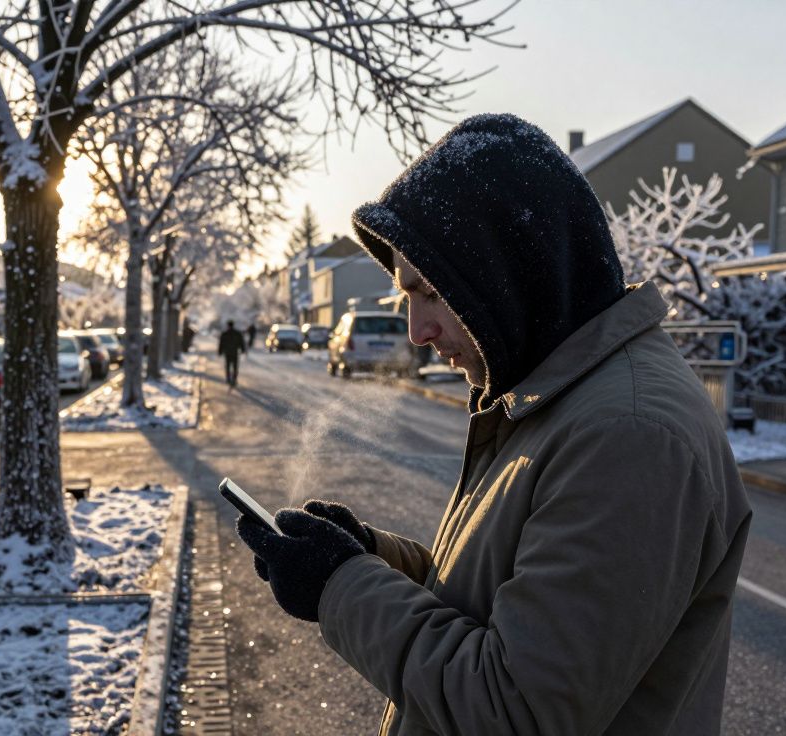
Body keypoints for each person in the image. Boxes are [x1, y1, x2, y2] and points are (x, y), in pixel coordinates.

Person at [235, 114, 751, 735]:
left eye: (428, 293)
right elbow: (488, 612)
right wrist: (370, 557)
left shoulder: (627, 435)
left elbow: (514, 708)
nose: (415, 333)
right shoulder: (558, 400)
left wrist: (339, 586)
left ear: (505, 273)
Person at [218, 320, 246, 387]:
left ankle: (228, 379)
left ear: (228, 325)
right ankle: (234, 379)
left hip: (227, 353)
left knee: (228, 366)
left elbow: (221, 343)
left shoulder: (225, 334)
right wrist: (243, 349)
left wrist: (220, 351)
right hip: (235, 353)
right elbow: (241, 342)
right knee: (235, 367)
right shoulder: (237, 333)